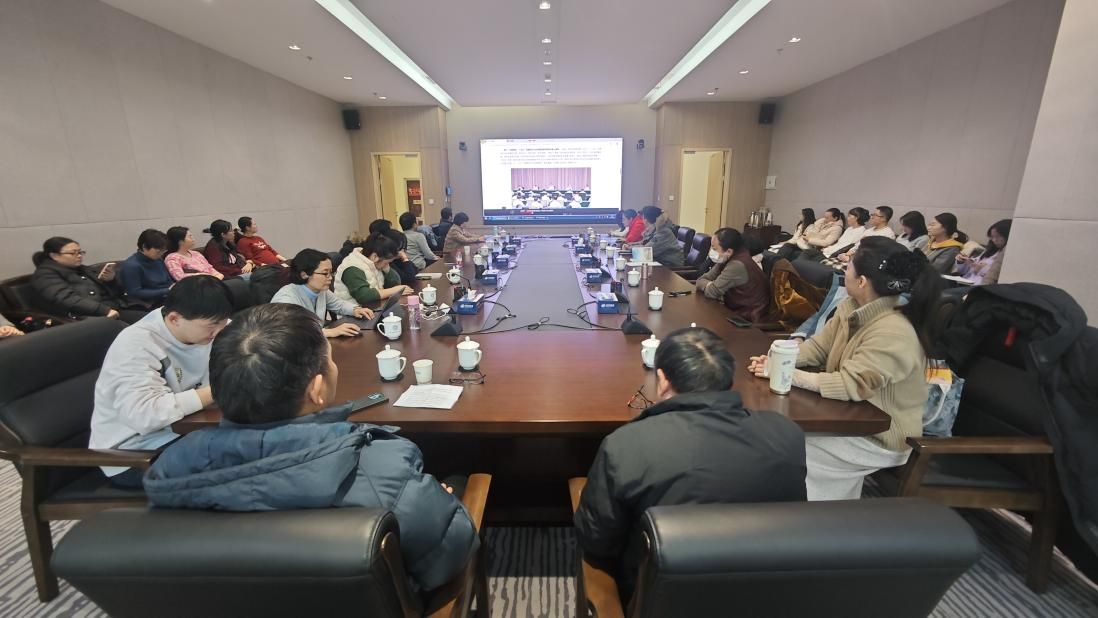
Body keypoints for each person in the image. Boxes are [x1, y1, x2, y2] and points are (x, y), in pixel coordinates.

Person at [142, 303, 478, 593]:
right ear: (316, 389)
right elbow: (450, 552)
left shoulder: (171, 467)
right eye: (329, 361)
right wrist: (438, 499)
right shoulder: (382, 468)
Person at [575, 327, 806, 603]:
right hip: (767, 600)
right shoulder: (786, 435)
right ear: (728, 378)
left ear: (662, 380)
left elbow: (596, 541)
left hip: (659, 601)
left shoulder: (627, 445)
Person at [748, 238, 944, 500]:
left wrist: (787, 375)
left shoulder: (893, 331)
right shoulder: (850, 307)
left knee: (788, 450)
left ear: (862, 281)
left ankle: (819, 517)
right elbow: (817, 348)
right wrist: (777, 362)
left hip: (880, 436)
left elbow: (851, 384)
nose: (844, 269)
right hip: (849, 417)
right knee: (779, 438)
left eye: (849, 264)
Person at [89, 276, 234, 487]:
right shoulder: (136, 344)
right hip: (135, 454)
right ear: (175, 319)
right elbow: (145, 414)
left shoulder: (203, 326)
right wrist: (220, 389)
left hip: (187, 431)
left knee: (267, 438)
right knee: (247, 457)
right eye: (212, 325)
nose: (219, 331)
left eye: (223, 322)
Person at [31, 237, 146, 323]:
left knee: (151, 319)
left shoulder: (83, 269)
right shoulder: (45, 275)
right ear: (54, 256)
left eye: (80, 252)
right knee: (146, 325)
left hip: (116, 307)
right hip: (91, 316)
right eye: (73, 253)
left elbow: (117, 292)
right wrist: (104, 310)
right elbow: (66, 299)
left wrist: (110, 280)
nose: (79, 256)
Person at [271, 249, 374, 338]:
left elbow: (339, 304)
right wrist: (330, 332)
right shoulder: (286, 299)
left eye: (331, 272)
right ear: (304, 275)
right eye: (325, 273)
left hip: (315, 343)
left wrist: (355, 310)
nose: (330, 278)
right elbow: (289, 334)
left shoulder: (319, 290)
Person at [695, 228, 769, 321]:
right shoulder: (726, 257)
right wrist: (710, 284)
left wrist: (710, 285)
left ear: (729, 251)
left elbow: (712, 292)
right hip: (734, 309)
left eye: (714, 249)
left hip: (747, 318)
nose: (711, 251)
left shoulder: (737, 265)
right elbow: (700, 280)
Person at [334, 234, 413, 305]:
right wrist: (394, 291)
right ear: (375, 257)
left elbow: (395, 283)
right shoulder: (352, 267)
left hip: (374, 308)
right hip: (354, 313)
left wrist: (387, 269)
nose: (387, 265)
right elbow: (363, 296)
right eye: (387, 263)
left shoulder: (374, 262)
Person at [118, 229, 173, 307]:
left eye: (163, 251)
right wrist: (166, 291)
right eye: (158, 251)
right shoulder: (131, 266)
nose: (161, 254)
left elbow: (168, 281)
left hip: (164, 297)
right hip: (146, 303)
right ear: (144, 247)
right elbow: (135, 292)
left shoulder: (158, 260)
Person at [772, 208, 843, 262]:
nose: (824, 219)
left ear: (835, 218)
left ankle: (780, 264)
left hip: (817, 248)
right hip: (809, 244)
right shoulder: (822, 223)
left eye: (827, 218)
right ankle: (776, 262)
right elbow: (813, 231)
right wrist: (819, 223)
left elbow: (826, 242)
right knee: (788, 245)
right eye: (824, 217)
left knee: (799, 252)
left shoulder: (837, 229)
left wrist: (809, 240)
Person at [956, 219, 1011, 285]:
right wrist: (962, 262)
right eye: (992, 237)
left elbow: (996, 276)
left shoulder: (1006, 256)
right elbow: (963, 272)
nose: (994, 240)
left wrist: (980, 268)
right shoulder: (989, 251)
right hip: (966, 282)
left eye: (998, 236)